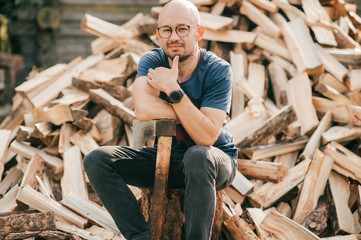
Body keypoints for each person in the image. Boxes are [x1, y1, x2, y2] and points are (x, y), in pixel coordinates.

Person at [83, 0, 238, 239]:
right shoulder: (152, 61)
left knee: (198, 155)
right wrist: (192, 114)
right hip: (166, 158)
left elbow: (206, 136)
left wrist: (172, 90)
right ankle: (141, 237)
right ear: (158, 34)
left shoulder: (218, 70)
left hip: (214, 162)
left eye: (183, 29)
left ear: (199, 32)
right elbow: (143, 110)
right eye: (166, 29)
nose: (173, 36)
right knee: (97, 160)